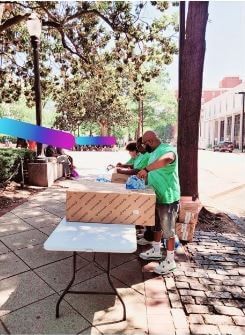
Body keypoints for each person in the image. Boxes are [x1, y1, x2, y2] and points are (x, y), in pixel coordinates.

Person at [137, 131, 180, 275]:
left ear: (149, 141)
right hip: (156, 195)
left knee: (168, 231)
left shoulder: (167, 149)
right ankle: (156, 250)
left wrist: (146, 169)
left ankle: (170, 260)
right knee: (156, 226)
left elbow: (168, 159)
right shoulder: (153, 152)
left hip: (168, 197)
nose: (144, 146)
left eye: (144, 143)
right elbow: (148, 161)